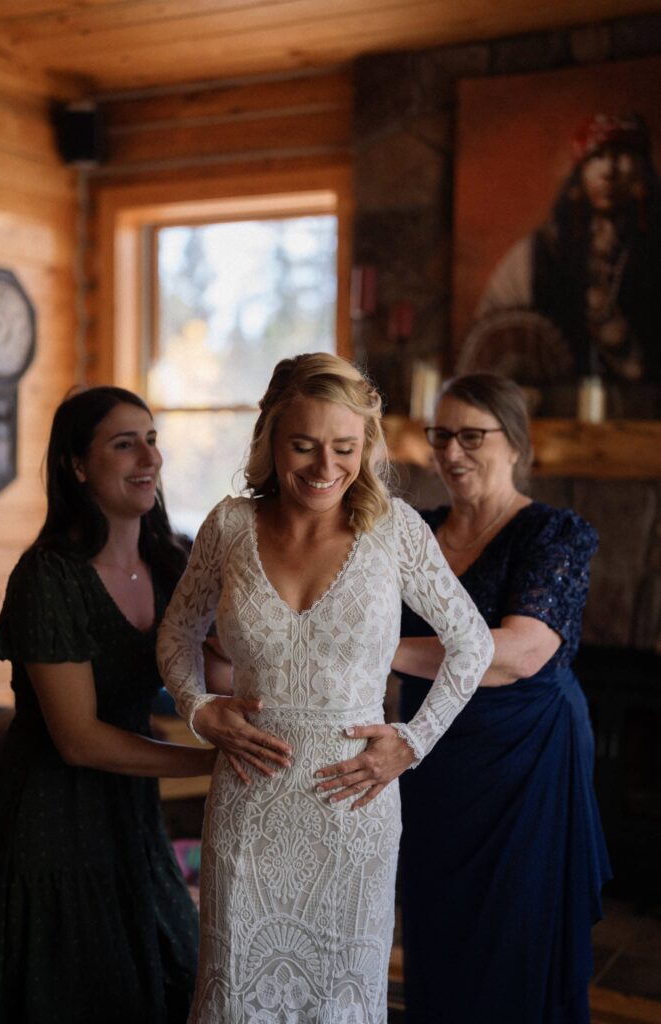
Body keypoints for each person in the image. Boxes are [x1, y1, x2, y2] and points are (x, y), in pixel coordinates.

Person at [156, 352, 494, 1024]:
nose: (323, 467)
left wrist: (412, 742)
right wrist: (199, 708)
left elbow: (472, 642)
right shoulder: (228, 525)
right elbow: (175, 636)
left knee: (340, 1000)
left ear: (365, 447)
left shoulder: (394, 530)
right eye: (303, 445)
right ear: (271, 439)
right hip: (249, 809)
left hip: (354, 811)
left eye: (344, 447)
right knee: (236, 996)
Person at [0, 386, 218, 1024]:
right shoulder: (49, 576)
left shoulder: (173, 560)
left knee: (179, 973)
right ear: (77, 466)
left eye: (152, 438)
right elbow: (78, 738)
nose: (149, 457)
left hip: (130, 814)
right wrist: (213, 764)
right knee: (76, 993)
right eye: (123, 443)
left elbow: (218, 662)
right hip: (52, 817)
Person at [391, 372, 612, 1024]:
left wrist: (382, 654)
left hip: (525, 762)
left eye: (470, 436)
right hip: (432, 755)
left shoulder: (553, 534)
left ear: (514, 442)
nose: (451, 452)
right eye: (440, 435)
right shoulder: (411, 533)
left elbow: (519, 652)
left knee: (513, 937)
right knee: (438, 930)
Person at [463, 112, 661, 417]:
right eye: (597, 157)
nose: (608, 170)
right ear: (581, 170)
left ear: (641, 169)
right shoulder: (541, 250)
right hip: (557, 419)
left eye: (621, 155)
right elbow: (491, 330)